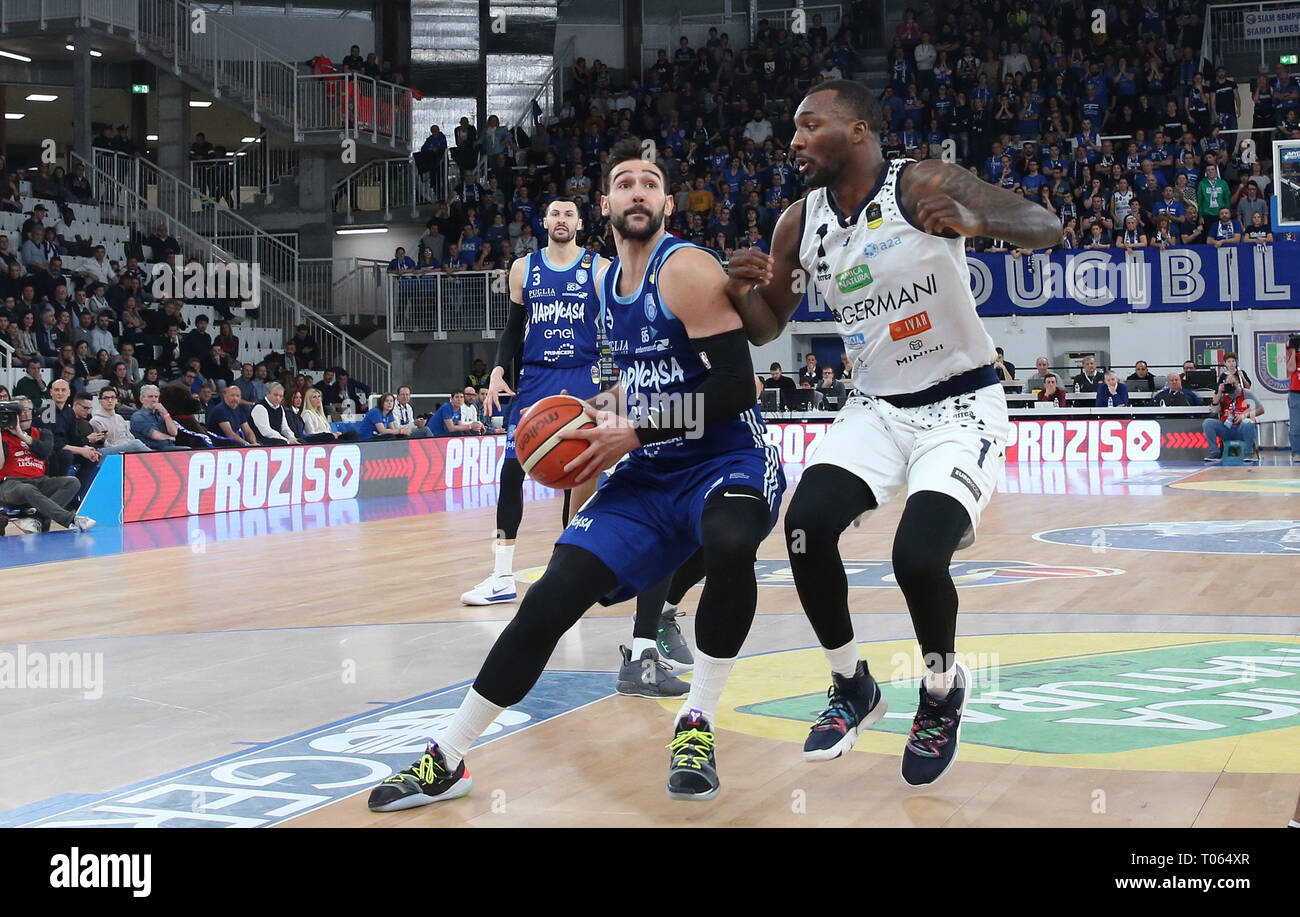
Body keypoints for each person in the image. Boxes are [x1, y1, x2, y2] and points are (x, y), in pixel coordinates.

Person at [368, 137, 785, 811]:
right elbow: (641, 381)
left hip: (726, 455)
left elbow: (739, 386)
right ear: (605, 205)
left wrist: (635, 428)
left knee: (732, 543)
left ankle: (696, 724)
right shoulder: (598, 282)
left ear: (669, 203)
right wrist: (592, 417)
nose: (639, 192)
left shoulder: (687, 270)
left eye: (651, 182)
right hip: (650, 469)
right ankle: (447, 756)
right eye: (625, 183)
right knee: (551, 597)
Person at [723, 80, 1060, 786]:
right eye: (793, 129)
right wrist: (739, 291)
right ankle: (853, 685)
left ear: (857, 132)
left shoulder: (923, 181)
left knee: (916, 558)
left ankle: (940, 689)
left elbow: (1043, 224)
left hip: (960, 406)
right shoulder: (797, 224)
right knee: (806, 527)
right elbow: (766, 325)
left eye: (807, 125)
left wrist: (976, 221)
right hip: (875, 407)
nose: (793, 142)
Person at [461, 196, 607, 607]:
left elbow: (618, 324)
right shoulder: (524, 268)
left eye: (568, 214)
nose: (561, 220)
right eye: (555, 213)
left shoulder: (598, 269)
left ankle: (567, 575)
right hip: (534, 379)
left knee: (573, 480)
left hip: (580, 378)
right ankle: (501, 576)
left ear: (580, 222)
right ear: (544, 221)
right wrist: (497, 369)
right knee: (511, 473)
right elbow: (512, 328)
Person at [0, 397, 95, 533]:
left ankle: (36, 519)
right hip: (10, 484)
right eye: (18, 411)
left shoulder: (42, 433)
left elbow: (45, 451)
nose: (23, 414)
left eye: (26, 410)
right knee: (27, 489)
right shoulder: (3, 436)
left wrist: (21, 435)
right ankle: (71, 520)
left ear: (32, 412)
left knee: (72, 482)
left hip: (40, 481)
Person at [1203, 377, 1258, 461]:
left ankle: (1248, 454)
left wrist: (1244, 415)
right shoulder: (1221, 395)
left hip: (1241, 428)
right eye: (1228, 384)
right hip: (1227, 427)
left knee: (1248, 422)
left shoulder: (1246, 393)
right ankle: (1215, 453)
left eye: (1233, 384)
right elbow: (1214, 410)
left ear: (1238, 383)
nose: (1231, 386)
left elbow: (1258, 409)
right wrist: (1219, 392)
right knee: (1208, 423)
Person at [90, 389, 152, 454]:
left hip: (127, 447)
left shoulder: (119, 417)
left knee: (136, 443)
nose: (110, 401)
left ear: (116, 400)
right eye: (106, 398)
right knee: (136, 444)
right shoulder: (96, 421)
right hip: (109, 451)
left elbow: (130, 437)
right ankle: (157, 457)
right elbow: (103, 445)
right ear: (100, 401)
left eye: (112, 398)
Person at [130, 384, 187, 450]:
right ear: (142, 399)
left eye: (156, 397)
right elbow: (155, 435)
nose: (154, 400)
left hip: (169, 448)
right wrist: (170, 438)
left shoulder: (161, 414)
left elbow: (174, 432)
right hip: (152, 450)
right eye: (150, 397)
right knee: (185, 450)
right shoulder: (138, 417)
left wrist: (165, 413)